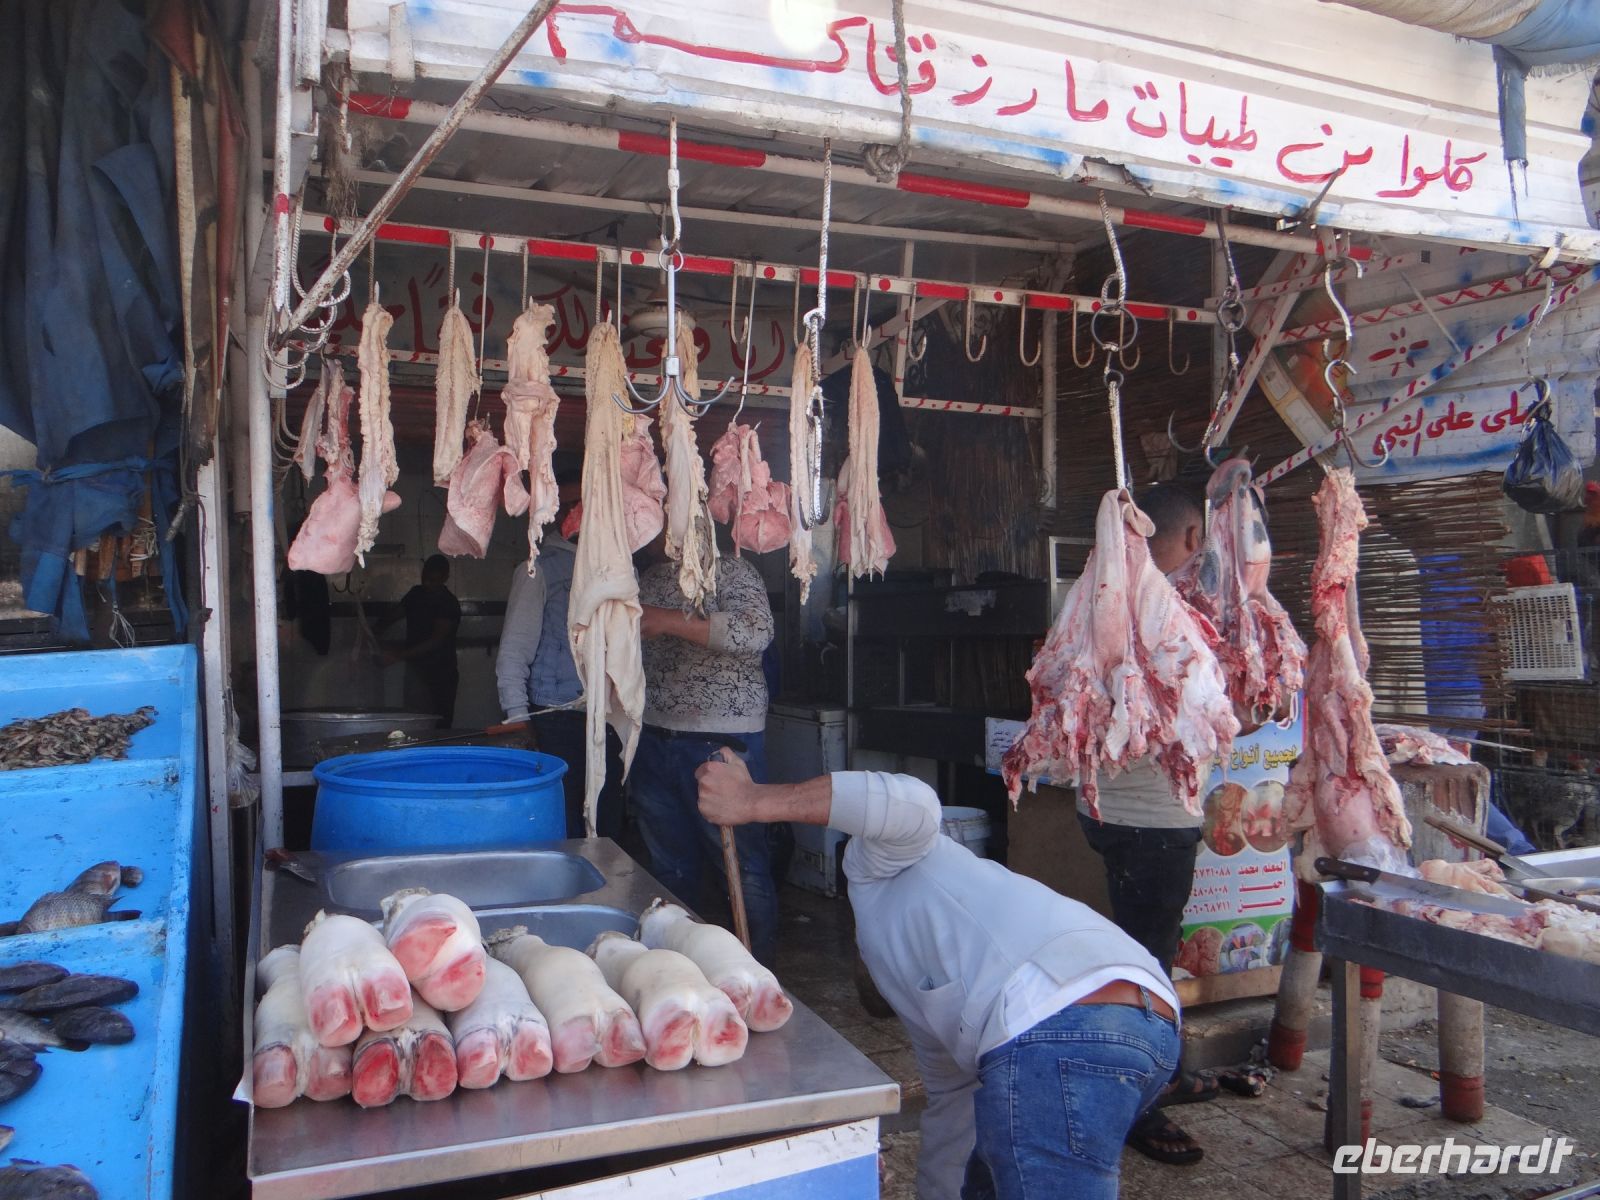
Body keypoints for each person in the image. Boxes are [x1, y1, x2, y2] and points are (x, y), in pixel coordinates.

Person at [697, 755, 1181, 1200]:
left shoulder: (882, 868)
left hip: (1057, 1023)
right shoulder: (942, 994)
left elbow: (913, 803)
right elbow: (956, 1108)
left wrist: (754, 800)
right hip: (1152, 1020)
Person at [1077, 481, 1215, 1166]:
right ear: (1193, 539)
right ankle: (1139, 1101)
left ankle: (1160, 1071)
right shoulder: (1154, 606)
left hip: (1116, 813)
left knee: (1146, 949)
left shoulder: (1101, 586)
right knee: (1148, 963)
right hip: (1148, 821)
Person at [632, 539, 779, 963]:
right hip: (655, 734)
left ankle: (758, 970)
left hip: (721, 740)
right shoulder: (648, 578)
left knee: (742, 867)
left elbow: (756, 631)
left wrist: (671, 621)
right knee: (669, 865)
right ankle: (680, 965)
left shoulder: (732, 569)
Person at [494, 459, 626, 839]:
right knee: (561, 828)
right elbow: (513, 652)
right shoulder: (538, 569)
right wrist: (519, 722)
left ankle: (605, 895)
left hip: (609, 720)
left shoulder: (616, 569)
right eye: (565, 506)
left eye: (580, 504)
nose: (574, 514)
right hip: (556, 719)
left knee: (606, 826)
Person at [380, 554, 462, 726]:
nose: (428, 584)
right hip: (416, 673)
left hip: (441, 676)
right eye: (425, 579)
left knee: (439, 727)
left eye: (433, 580)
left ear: (445, 577)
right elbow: (393, 616)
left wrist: (398, 656)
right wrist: (370, 633)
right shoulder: (416, 594)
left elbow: (436, 641)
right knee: (413, 724)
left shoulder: (449, 603)